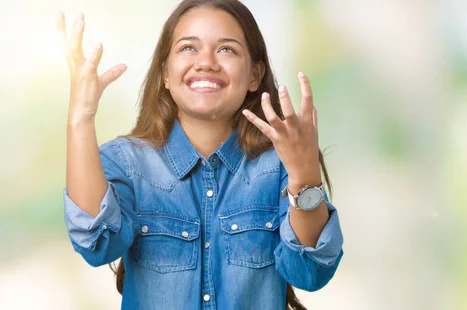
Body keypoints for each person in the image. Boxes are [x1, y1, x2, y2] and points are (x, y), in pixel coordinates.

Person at [58, 0, 344, 309]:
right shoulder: (126, 163)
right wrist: (80, 117)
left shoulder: (278, 165)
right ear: (166, 73)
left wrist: (304, 177)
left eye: (227, 50)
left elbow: (311, 271)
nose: (206, 62)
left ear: (254, 75)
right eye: (188, 48)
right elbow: (96, 243)